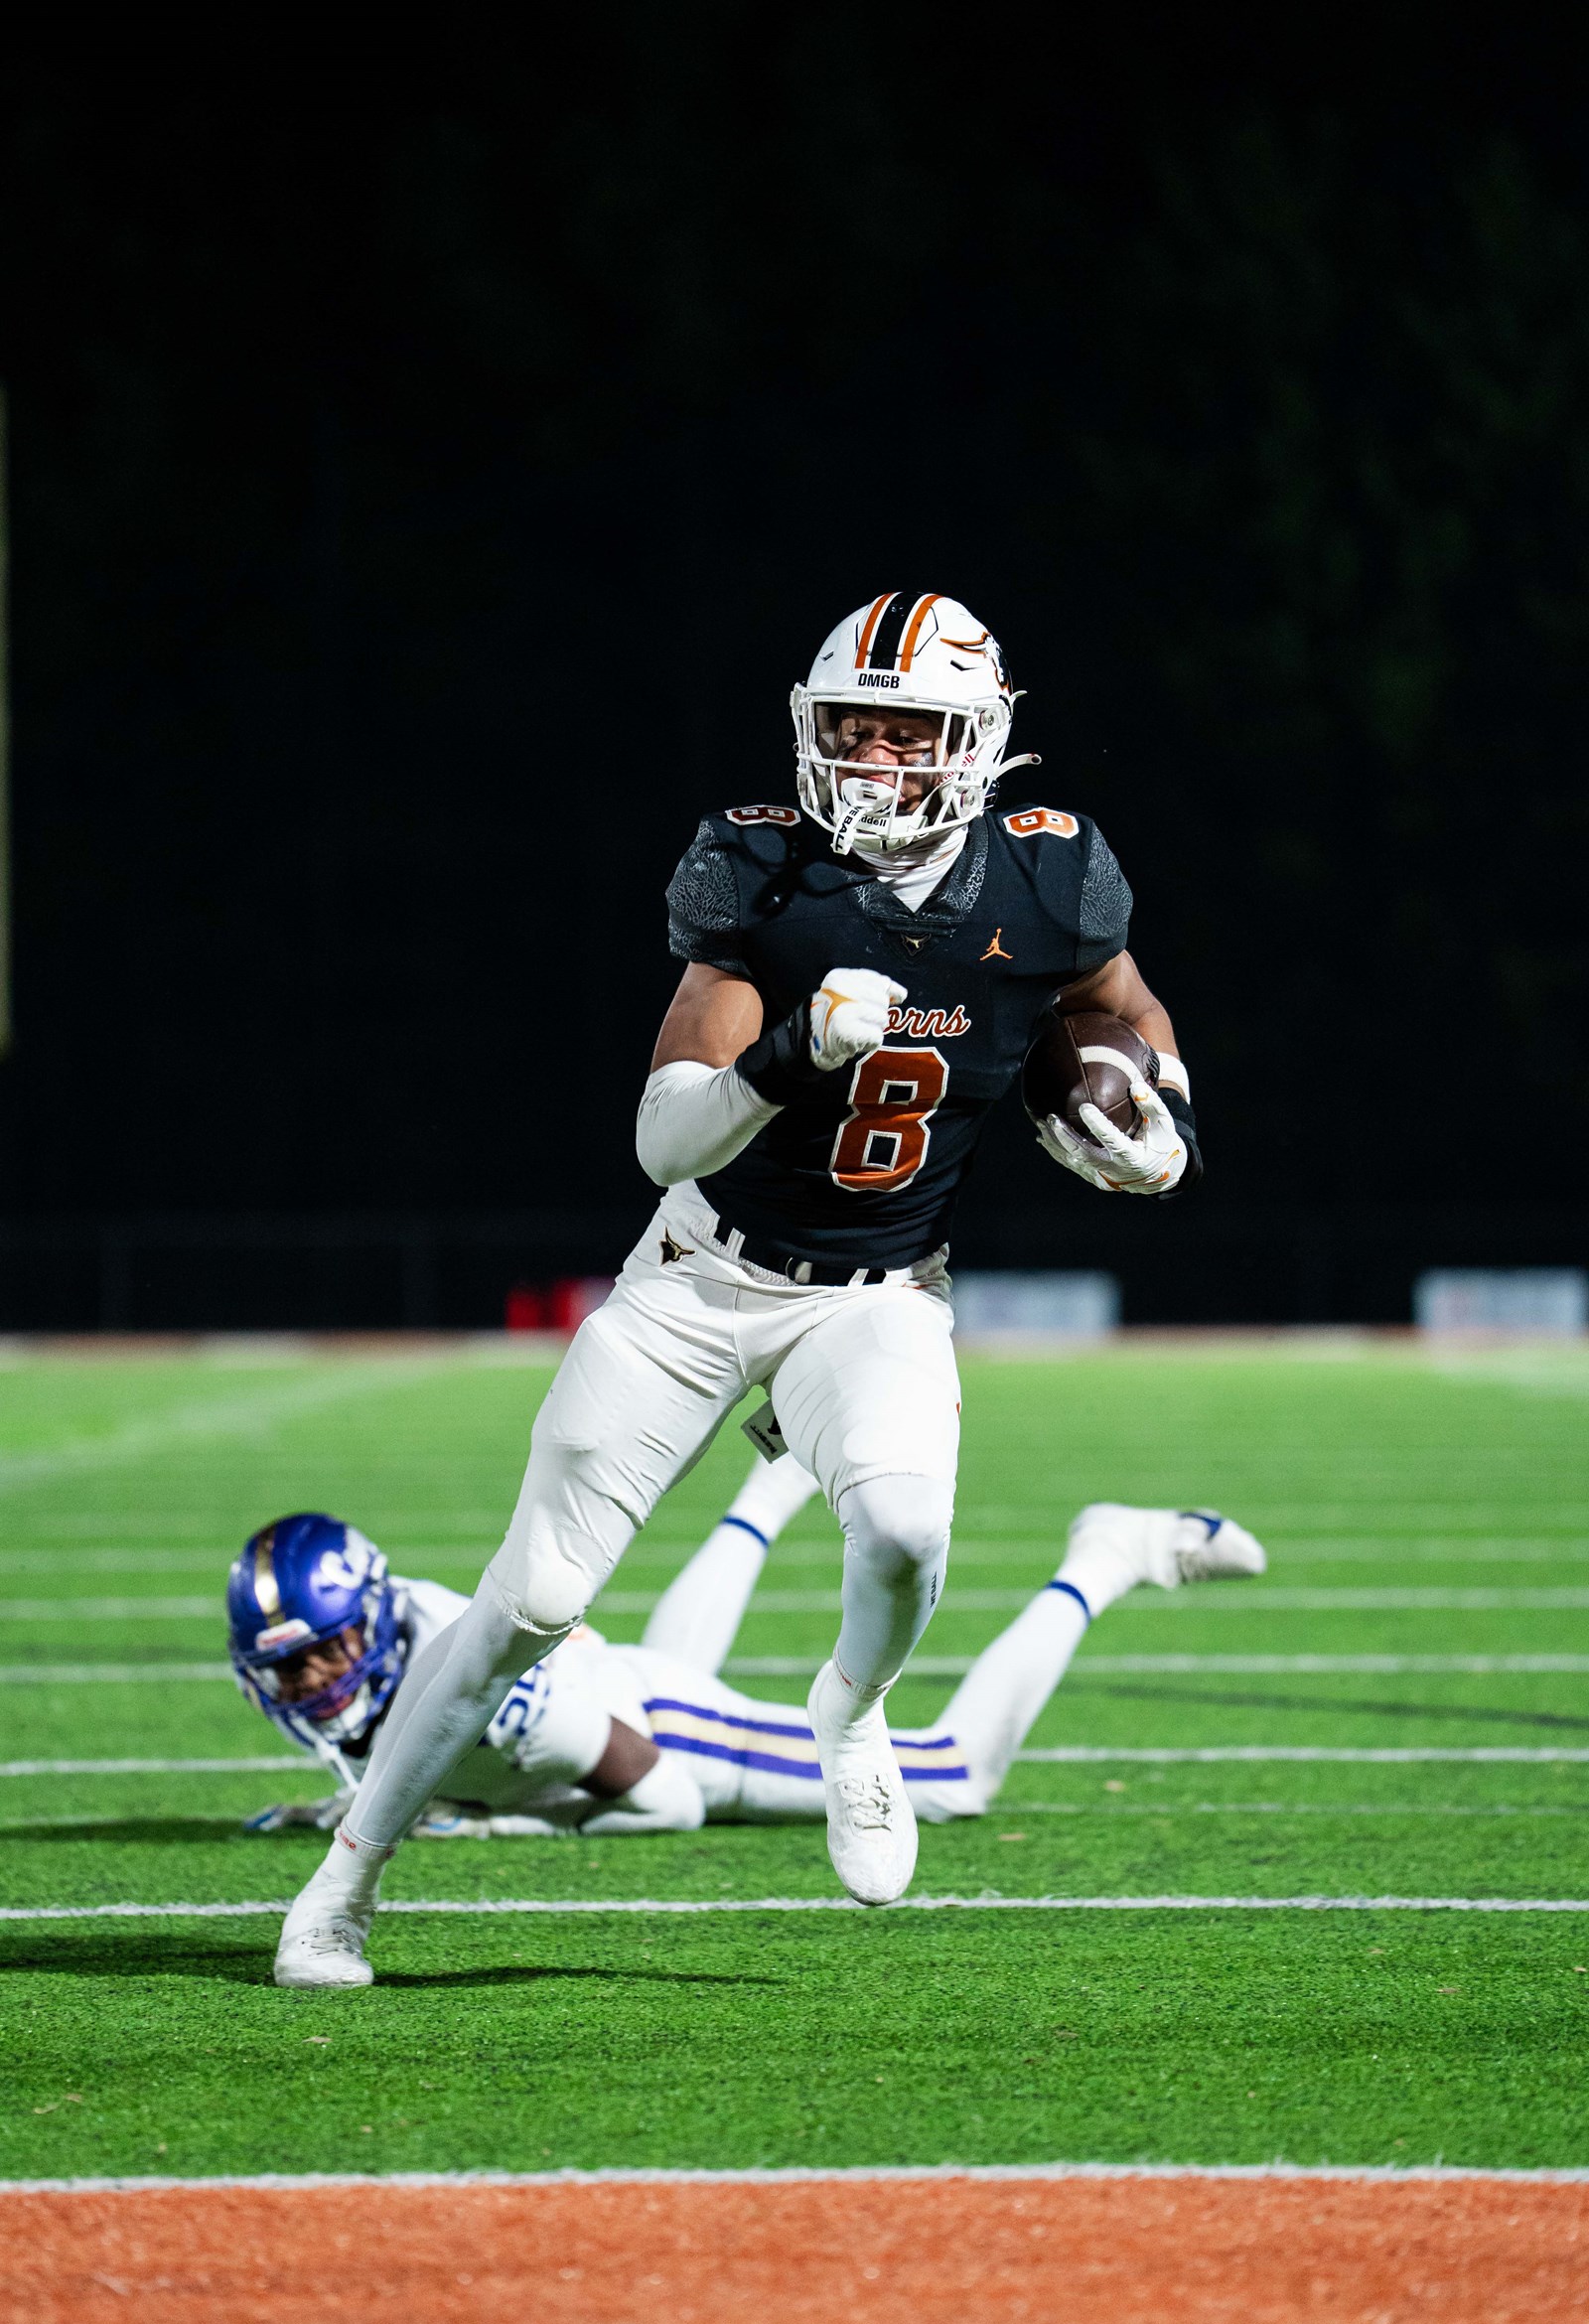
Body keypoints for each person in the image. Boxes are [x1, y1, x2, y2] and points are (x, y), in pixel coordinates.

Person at [274, 592, 1203, 1987]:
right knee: (528, 1599)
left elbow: (1122, 1003)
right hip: (701, 1277)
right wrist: (783, 1066)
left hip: (881, 1289)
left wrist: (1161, 1110)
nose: (874, 761)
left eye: (910, 732)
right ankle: (341, 1890)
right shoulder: (764, 874)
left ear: (981, 742)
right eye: (853, 730)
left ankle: (855, 1709)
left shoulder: (1051, 874)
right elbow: (660, 1138)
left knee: (902, 1529)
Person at [229, 1457, 1263, 1841]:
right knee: (662, 1672)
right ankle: (777, 1481)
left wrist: (515, 1824)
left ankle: (1108, 1555)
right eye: (289, 1668)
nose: (314, 1681)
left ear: (370, 1619)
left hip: (649, 1732)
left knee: (952, 1777)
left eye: (326, 1653)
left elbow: (664, 1796)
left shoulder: (501, 1709)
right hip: (609, 1684)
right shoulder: (394, 1628)